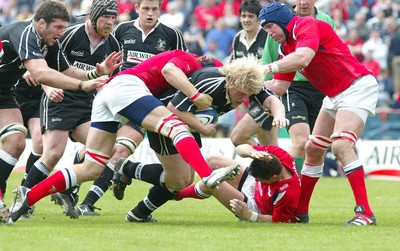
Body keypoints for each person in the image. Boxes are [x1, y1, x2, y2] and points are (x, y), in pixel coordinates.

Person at [10, 49, 239, 223]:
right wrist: (197, 95)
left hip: (108, 94)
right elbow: (170, 72)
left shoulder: (187, 68)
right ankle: (207, 175)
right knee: (175, 127)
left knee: (92, 168)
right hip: (128, 86)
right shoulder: (187, 59)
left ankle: (28, 197)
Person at [112, 57, 288, 222]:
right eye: (241, 93)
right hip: (165, 117)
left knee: (184, 180)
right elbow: (173, 108)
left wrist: (279, 116)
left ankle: (137, 213)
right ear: (231, 81)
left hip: (189, 122)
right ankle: (128, 170)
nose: (244, 99)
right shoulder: (211, 82)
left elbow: (272, 100)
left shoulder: (248, 84)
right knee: (179, 180)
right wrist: (203, 128)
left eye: (248, 95)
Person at [0, 1, 121, 223]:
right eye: (58, 28)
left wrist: (97, 73)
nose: (61, 33)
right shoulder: (28, 33)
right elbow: (41, 71)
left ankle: (42, 191)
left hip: (8, 93)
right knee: (46, 148)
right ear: (42, 23)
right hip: (49, 98)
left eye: (64, 27)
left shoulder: (52, 42)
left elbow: (68, 70)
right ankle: (20, 195)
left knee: (18, 141)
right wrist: (75, 86)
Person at [259, 2, 378, 226]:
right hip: (335, 94)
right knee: (312, 149)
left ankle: (365, 213)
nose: (270, 34)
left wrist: (265, 68)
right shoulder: (286, 48)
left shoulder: (306, 25)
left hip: (357, 86)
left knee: (341, 145)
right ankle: (300, 212)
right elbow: (279, 87)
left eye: (270, 27)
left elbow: (303, 58)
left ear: (283, 22)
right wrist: (249, 86)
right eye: (266, 30)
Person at [71, 0, 189, 216]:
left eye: (155, 9)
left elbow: (183, 65)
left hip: (146, 103)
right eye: (146, 9)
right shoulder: (122, 31)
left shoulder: (172, 35)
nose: (150, 14)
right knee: (94, 150)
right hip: (116, 97)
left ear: (160, 10)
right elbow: (106, 60)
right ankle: (73, 188)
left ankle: (87, 203)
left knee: (121, 149)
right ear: (137, 8)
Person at [261, 0, 335, 174]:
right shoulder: (277, 26)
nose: (302, 2)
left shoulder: (326, 21)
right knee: (301, 141)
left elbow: (331, 53)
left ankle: (300, 193)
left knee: (317, 147)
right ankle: (291, 186)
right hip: (292, 87)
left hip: (321, 88)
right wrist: (267, 97)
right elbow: (268, 60)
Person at [175, 143, 300, 223]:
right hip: (250, 183)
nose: (258, 181)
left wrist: (249, 215)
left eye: (260, 180)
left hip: (254, 206)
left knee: (213, 182)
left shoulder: (287, 193)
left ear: (273, 178)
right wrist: (251, 152)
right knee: (212, 160)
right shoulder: (279, 155)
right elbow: (240, 147)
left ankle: (175, 194)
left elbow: (278, 221)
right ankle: (176, 191)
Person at [229, 0, 278, 147]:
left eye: (250, 16)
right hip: (251, 99)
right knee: (271, 147)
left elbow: (277, 66)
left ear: (258, 19)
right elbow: (233, 68)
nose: (246, 20)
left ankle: (265, 159)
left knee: (237, 137)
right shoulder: (238, 38)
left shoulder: (268, 38)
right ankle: (276, 167)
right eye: (243, 16)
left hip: (267, 98)